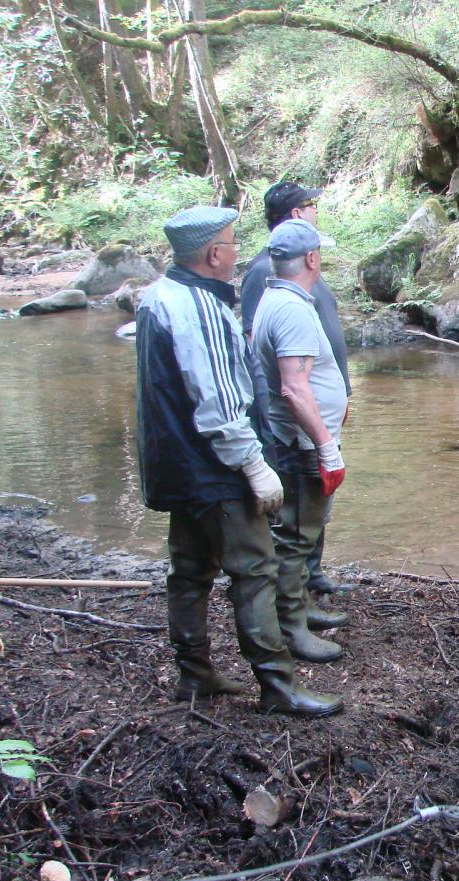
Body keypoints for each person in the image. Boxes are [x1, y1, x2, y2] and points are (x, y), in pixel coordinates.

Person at [134, 205, 342, 717]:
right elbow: (216, 398)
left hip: (176, 463)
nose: (235, 251)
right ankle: (278, 685)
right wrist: (251, 462)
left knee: (189, 571)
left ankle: (195, 675)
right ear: (212, 254)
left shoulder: (159, 296)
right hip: (214, 468)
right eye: (230, 243)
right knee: (255, 570)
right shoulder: (198, 309)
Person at [242, 181, 352, 599]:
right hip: (299, 430)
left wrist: (340, 398)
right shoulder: (269, 283)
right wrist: (323, 443)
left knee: (306, 518)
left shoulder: (290, 287)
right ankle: (294, 612)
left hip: (313, 422)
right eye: (310, 205)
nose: (315, 210)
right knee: (297, 523)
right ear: (309, 256)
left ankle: (309, 585)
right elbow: (283, 376)